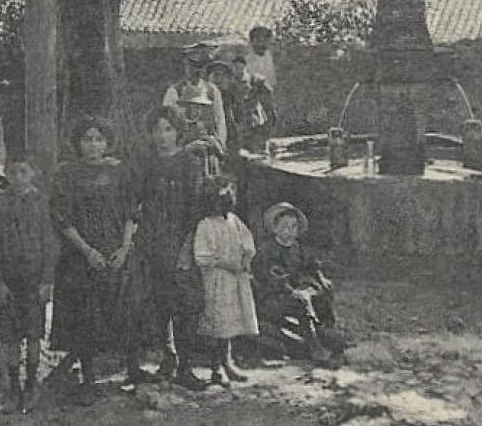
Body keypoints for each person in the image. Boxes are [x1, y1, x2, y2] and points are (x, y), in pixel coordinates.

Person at [51, 117, 137, 402]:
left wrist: (124, 248)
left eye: (98, 139)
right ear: (78, 143)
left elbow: (131, 212)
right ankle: (87, 378)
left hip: (114, 253)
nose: (93, 145)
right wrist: (87, 251)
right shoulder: (67, 173)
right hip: (80, 256)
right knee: (85, 315)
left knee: (121, 308)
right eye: (87, 139)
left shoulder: (118, 171)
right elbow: (61, 217)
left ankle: (127, 373)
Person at [133, 106, 209, 392]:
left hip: (180, 240)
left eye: (168, 129)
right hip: (152, 242)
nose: (162, 136)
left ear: (178, 131)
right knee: (159, 303)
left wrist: (188, 246)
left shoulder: (189, 163)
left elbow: (196, 208)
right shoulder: (147, 164)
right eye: (157, 130)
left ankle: (186, 367)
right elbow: (136, 201)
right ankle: (169, 358)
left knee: (185, 305)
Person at [0, 156, 57, 410]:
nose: (18, 177)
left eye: (23, 171)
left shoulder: (42, 204)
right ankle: (14, 387)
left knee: (34, 334)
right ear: (6, 174)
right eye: (12, 172)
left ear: (33, 174)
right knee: (10, 336)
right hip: (9, 280)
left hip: (34, 280)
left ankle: (32, 385)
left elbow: (50, 244)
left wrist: (47, 280)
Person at [252, 202, 340, 364]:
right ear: (275, 228)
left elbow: (311, 267)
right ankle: (315, 347)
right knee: (301, 300)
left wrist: (321, 281)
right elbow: (272, 277)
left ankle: (327, 332)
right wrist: (292, 290)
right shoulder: (267, 251)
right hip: (272, 296)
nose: (290, 230)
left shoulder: (297, 249)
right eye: (284, 226)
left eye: (293, 226)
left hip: (293, 291)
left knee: (323, 292)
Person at [193, 177, 258, 387]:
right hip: (217, 281)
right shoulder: (205, 225)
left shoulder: (234, 220)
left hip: (236, 280)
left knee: (231, 322)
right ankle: (215, 368)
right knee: (217, 323)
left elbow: (247, 242)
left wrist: (246, 259)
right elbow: (202, 256)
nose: (220, 205)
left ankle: (228, 362)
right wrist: (227, 263)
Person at [163, 43, 228, 151]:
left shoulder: (212, 91)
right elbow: (166, 126)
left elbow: (220, 123)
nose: (196, 71)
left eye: (200, 67)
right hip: (184, 151)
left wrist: (218, 144)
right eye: (192, 66)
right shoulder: (174, 92)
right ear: (185, 64)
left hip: (209, 150)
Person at [243, 26, 278, 91]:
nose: (261, 44)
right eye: (258, 40)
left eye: (265, 40)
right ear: (251, 41)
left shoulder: (273, 58)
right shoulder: (247, 59)